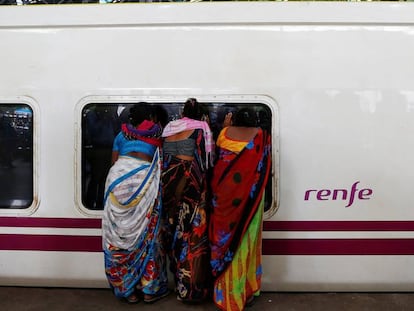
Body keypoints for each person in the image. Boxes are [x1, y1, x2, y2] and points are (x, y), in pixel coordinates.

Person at [102, 103, 169, 304]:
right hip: (144, 181)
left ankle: (127, 290)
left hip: (117, 179)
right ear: (150, 117)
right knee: (148, 235)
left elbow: (114, 162)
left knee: (119, 233)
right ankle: (149, 289)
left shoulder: (121, 136)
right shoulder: (157, 134)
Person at [209, 107, 271, 311]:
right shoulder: (261, 136)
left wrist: (226, 126)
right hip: (250, 201)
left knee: (225, 241)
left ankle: (224, 293)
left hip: (224, 196)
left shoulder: (223, 134)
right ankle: (244, 290)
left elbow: (219, 155)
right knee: (246, 243)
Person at [161, 98, 214, 303]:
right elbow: (205, 160)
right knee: (190, 235)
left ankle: (176, 280)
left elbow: (166, 158)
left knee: (173, 231)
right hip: (189, 184)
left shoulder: (169, 128)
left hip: (168, 184)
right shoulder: (201, 128)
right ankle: (189, 289)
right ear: (200, 114)